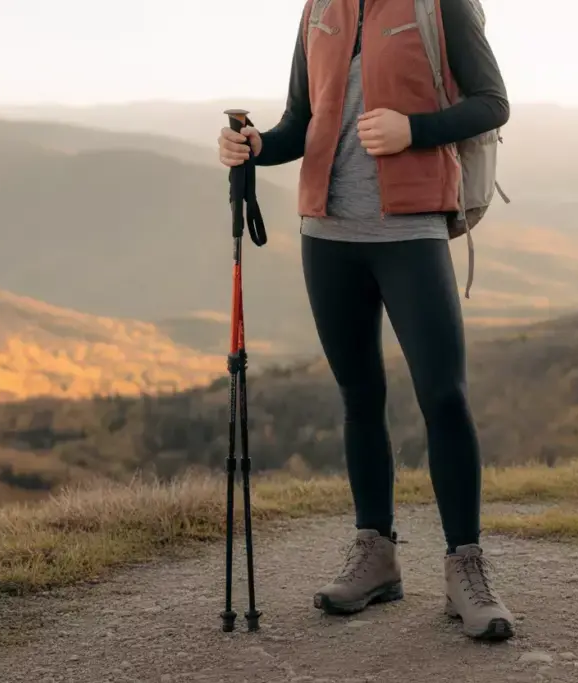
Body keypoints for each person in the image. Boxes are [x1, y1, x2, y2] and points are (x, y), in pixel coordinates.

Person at [217, 0, 513, 641]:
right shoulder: (318, 10)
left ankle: (466, 569)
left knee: (444, 396)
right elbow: (304, 124)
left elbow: (492, 103)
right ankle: (376, 555)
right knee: (359, 395)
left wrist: (416, 129)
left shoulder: (441, 4)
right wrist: (256, 146)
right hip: (326, 233)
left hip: (411, 229)